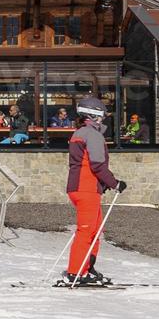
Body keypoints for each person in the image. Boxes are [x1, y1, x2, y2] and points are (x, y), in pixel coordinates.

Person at [65, 95, 126, 284]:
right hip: (86, 188)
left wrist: (105, 183)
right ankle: (75, 272)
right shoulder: (92, 134)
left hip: (82, 187)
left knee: (95, 230)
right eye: (102, 116)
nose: (104, 119)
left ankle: (86, 267)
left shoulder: (81, 132)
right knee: (86, 230)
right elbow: (97, 165)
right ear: (94, 116)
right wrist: (114, 182)